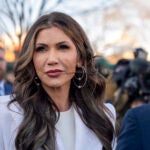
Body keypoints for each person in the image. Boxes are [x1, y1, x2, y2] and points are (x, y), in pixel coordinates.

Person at [0, 12, 116, 150]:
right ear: (31, 59)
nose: (52, 59)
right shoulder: (6, 114)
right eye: (41, 49)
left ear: (80, 58)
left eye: (63, 47)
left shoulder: (105, 116)